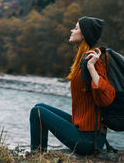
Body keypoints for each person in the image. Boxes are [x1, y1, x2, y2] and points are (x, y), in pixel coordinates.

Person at [29, 16, 115, 155]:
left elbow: (107, 98)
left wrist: (92, 67)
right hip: (83, 130)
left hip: (89, 141)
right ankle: (39, 154)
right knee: (40, 107)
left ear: (84, 34)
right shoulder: (83, 59)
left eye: (76, 28)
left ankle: (37, 156)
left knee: (37, 112)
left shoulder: (93, 61)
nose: (72, 30)